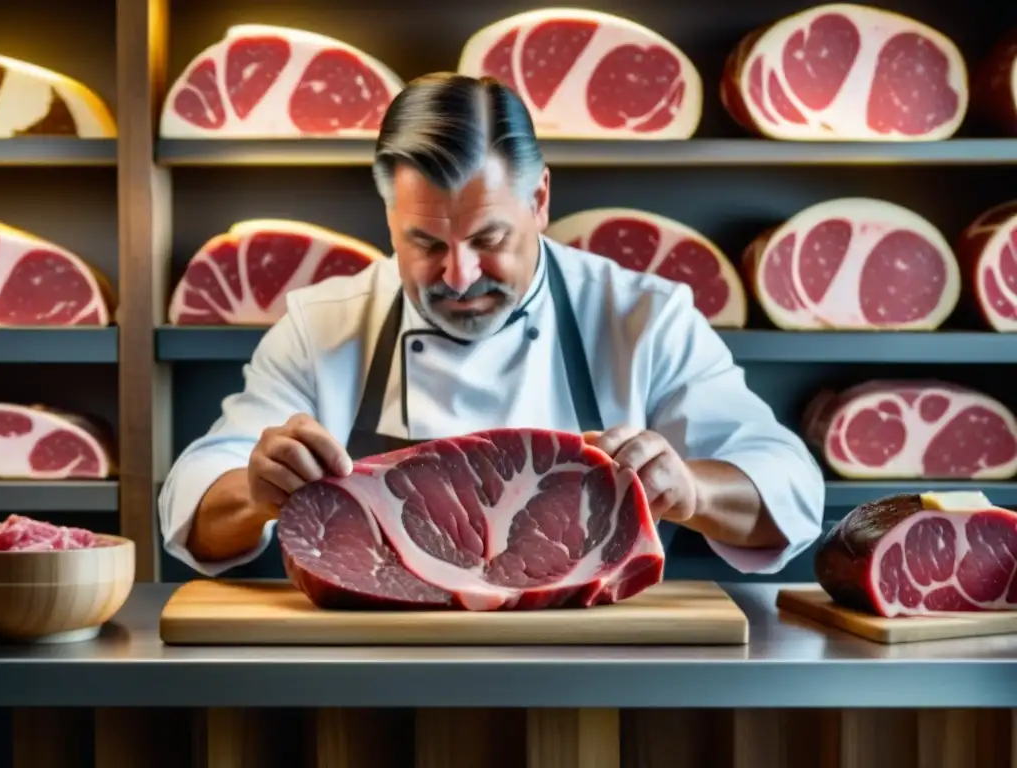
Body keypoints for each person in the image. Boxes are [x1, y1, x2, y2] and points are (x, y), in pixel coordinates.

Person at [158, 72, 825, 579]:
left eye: (489, 238)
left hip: (596, 665)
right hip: (380, 665)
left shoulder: (641, 316)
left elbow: (787, 485)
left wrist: (692, 489)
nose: (457, 274)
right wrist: (252, 492)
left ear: (539, 201)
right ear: (389, 216)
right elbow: (194, 504)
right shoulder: (324, 324)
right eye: (424, 242)